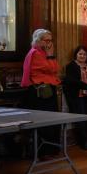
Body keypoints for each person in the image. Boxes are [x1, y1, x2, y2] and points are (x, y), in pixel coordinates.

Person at [21, 28, 61, 156]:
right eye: (46, 40)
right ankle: (43, 151)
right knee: (44, 123)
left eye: (51, 40)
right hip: (40, 93)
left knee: (52, 121)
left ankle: (52, 149)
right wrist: (50, 54)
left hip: (48, 91)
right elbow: (50, 69)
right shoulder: (35, 53)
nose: (50, 43)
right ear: (38, 41)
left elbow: (56, 69)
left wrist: (50, 55)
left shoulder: (44, 52)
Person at [63, 46, 87, 150]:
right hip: (77, 97)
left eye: (84, 54)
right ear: (76, 54)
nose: (82, 56)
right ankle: (84, 142)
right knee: (81, 120)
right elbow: (72, 81)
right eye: (80, 54)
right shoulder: (71, 66)